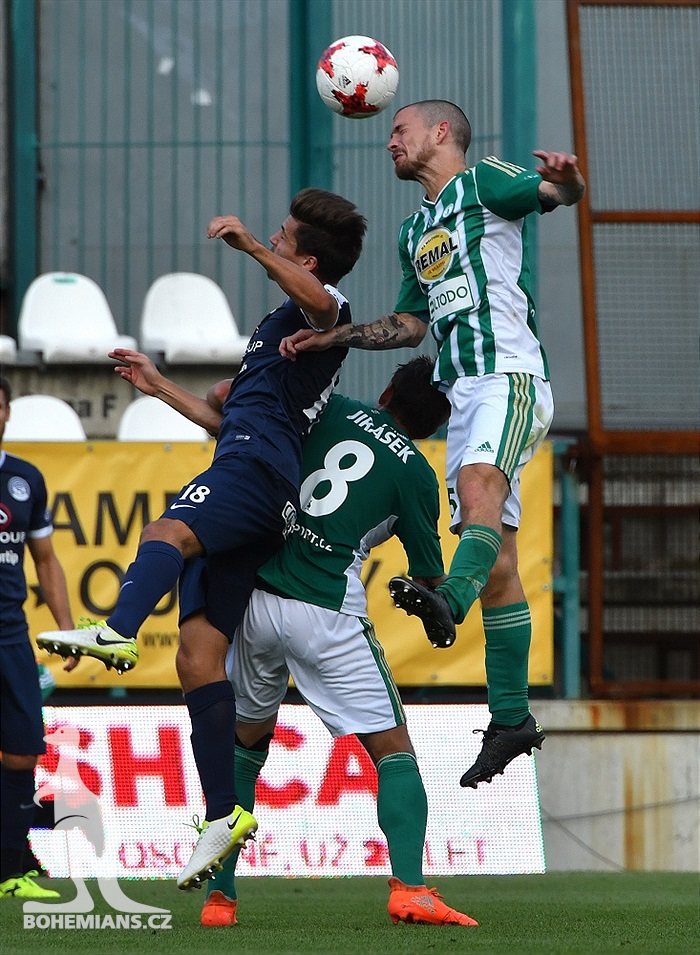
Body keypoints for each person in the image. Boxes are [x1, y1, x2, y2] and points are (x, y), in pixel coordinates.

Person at [38, 188, 367, 889]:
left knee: (165, 530)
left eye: (283, 235)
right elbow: (227, 418)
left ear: (306, 256)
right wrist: (158, 388)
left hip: (254, 475)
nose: (272, 238)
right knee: (196, 656)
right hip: (245, 465)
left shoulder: (324, 312)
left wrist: (249, 244)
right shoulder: (279, 330)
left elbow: (323, 300)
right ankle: (224, 814)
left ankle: (119, 629)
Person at [280, 100, 586, 790]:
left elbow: (553, 194)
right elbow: (412, 325)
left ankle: (448, 595)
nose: (390, 140)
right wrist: (333, 337)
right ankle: (510, 717)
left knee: (481, 489)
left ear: (439, 133)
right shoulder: (415, 230)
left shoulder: (482, 186)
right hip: (463, 393)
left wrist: (567, 181)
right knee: (500, 561)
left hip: (507, 371)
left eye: (400, 130)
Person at [138, 353, 476, 927]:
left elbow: (226, 395)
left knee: (244, 746)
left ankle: (221, 901)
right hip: (325, 607)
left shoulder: (330, 410)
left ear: (388, 389)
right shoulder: (419, 475)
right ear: (437, 424)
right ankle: (410, 890)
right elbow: (428, 579)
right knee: (393, 752)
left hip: (255, 597)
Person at [0, 377, 77, 900]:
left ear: (6, 413)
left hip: (10, 635)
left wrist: (68, 631)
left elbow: (46, 561)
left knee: (23, 752)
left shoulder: (25, 479)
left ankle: (11, 869)